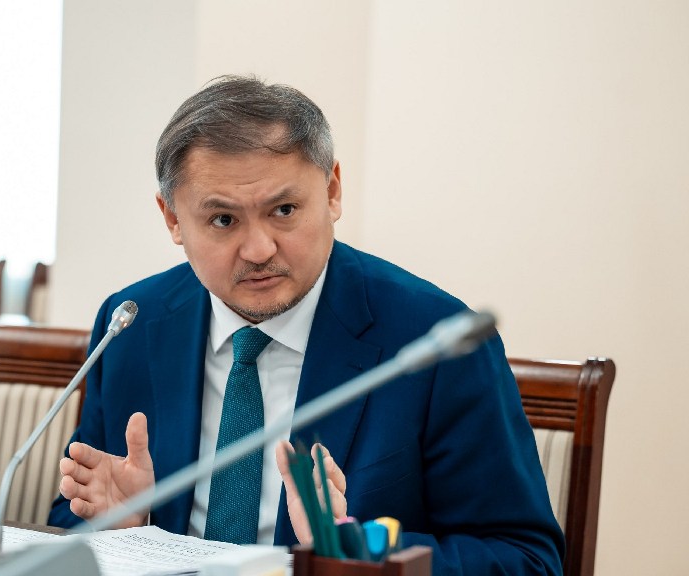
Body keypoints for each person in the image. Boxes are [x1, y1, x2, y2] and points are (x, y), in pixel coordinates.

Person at [48, 76, 564, 574]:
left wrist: (350, 550)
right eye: (223, 220)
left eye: (284, 210)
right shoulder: (132, 324)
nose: (259, 250)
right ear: (172, 219)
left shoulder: (435, 342)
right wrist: (125, 526)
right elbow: (73, 518)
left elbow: (525, 559)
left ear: (333, 191)